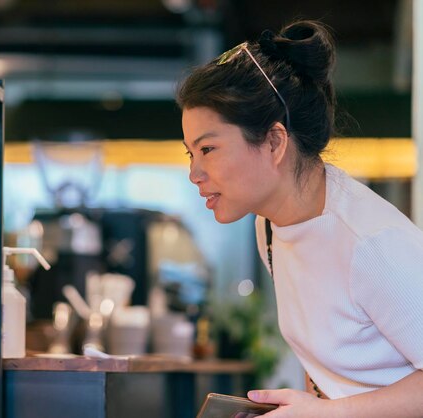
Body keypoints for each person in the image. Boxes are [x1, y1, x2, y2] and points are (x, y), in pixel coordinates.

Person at [177, 20, 423, 417]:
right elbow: (326, 367)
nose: (195, 174)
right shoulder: (271, 228)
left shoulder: (371, 242)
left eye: (208, 149)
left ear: (274, 142)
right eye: (191, 153)